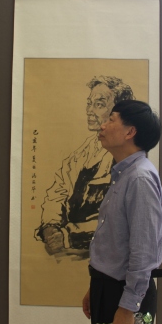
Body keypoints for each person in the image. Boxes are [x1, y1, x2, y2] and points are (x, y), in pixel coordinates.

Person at [81, 100, 162, 324]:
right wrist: (96, 286)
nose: (103, 125)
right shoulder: (125, 173)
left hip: (125, 297)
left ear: (130, 132)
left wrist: (128, 308)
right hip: (110, 288)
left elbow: (144, 251)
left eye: (111, 120)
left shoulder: (139, 178)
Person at [34, 76, 135, 259]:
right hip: (68, 252)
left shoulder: (126, 159)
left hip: (102, 255)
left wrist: (68, 235)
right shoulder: (83, 152)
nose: (89, 110)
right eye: (89, 103)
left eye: (99, 104)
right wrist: (51, 226)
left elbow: (119, 219)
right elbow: (57, 193)